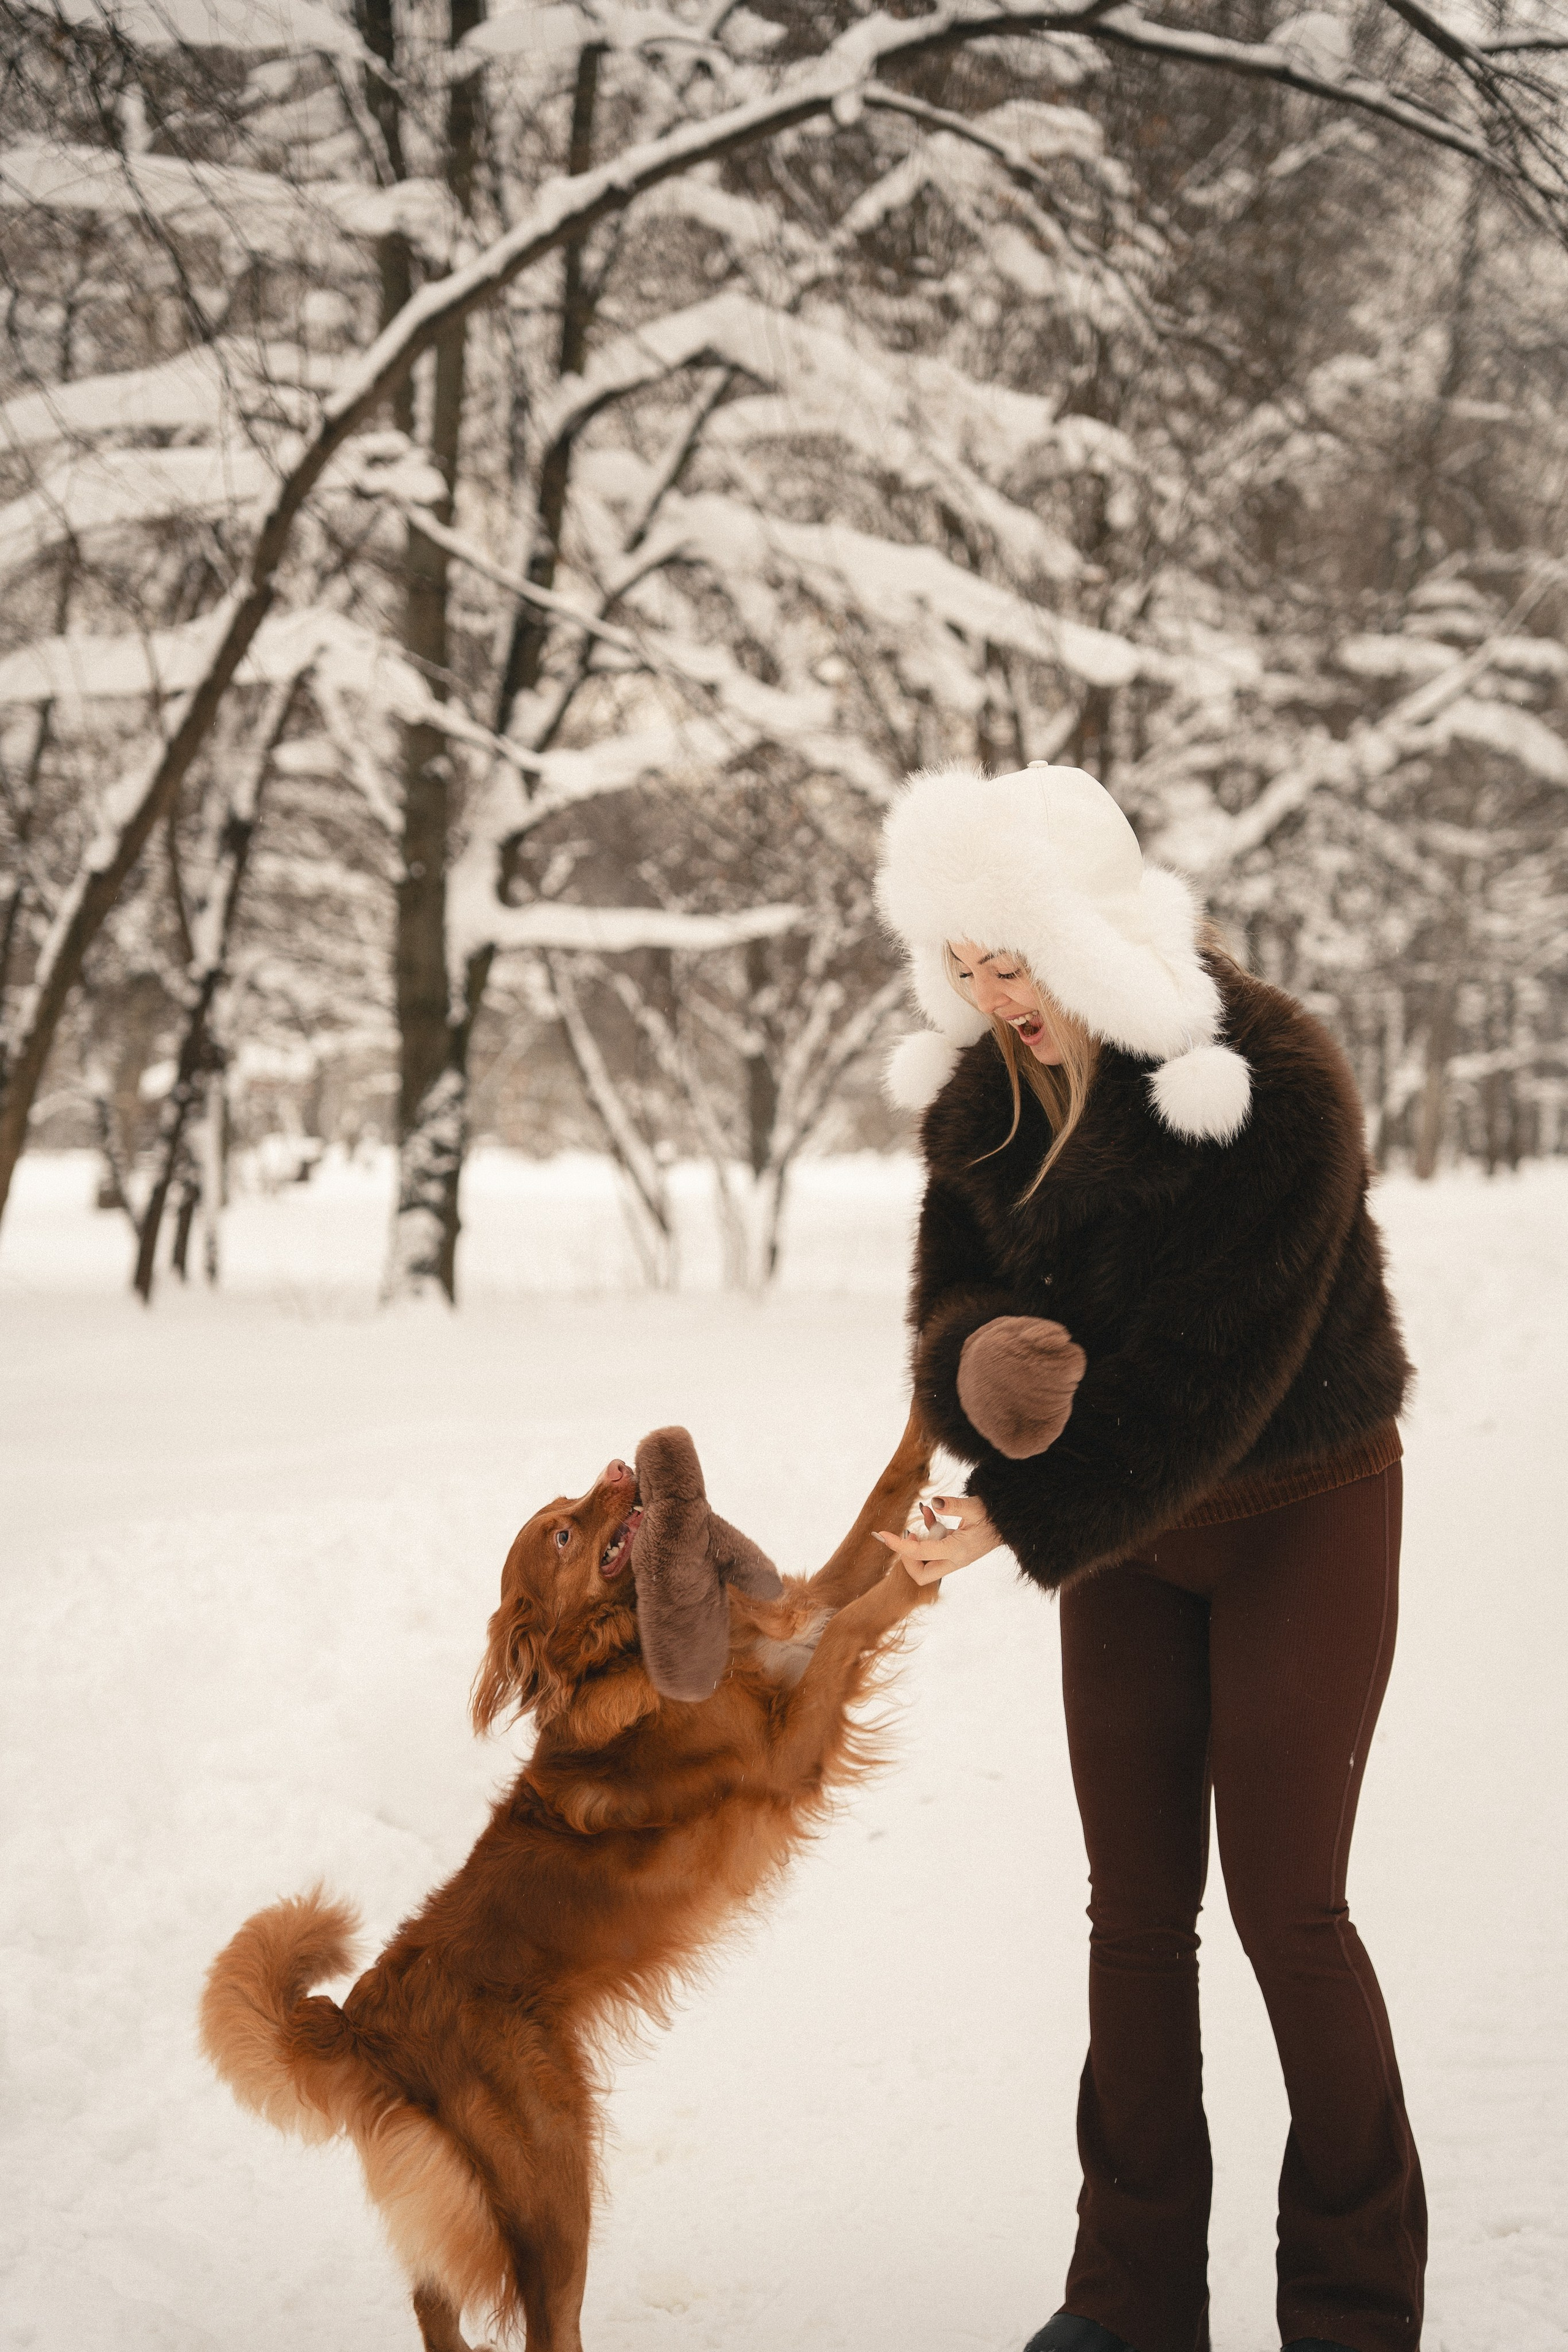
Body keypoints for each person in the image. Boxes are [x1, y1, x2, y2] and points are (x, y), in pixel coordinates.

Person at [871, 761, 1425, 2352]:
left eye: (1016, 959)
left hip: (1297, 1513)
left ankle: (1355, 2309)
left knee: (1289, 1912)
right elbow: (947, 1311)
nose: (996, 998)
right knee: (1134, 1912)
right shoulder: (983, 1110)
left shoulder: (1267, 1084)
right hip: (1124, 1540)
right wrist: (982, 1366)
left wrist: (1014, 1517)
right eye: (966, 967)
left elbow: (1208, 1378)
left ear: (1088, 932)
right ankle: (1128, 2304)